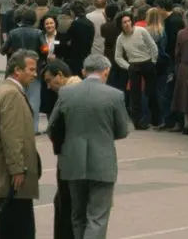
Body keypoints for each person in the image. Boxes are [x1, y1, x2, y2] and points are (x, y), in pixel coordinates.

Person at [48, 54, 129, 239]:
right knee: (97, 217)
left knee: (77, 215)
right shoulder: (114, 95)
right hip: (102, 162)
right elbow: (123, 130)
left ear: (84, 71)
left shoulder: (66, 93)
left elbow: (52, 126)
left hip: (73, 162)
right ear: (106, 71)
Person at [0, 50, 42, 239]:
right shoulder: (12, 95)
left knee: (9, 221)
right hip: (12, 177)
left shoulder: (5, 90)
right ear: (17, 71)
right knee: (18, 225)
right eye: (31, 69)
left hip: (9, 174)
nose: (35, 74)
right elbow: (12, 136)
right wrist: (17, 169)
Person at [42, 60, 82, 239]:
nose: (49, 86)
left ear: (60, 75)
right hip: (84, 160)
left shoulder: (67, 95)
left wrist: (58, 145)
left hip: (69, 160)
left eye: (49, 80)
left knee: (65, 206)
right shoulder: (84, 90)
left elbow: (54, 128)